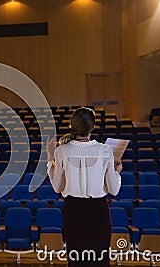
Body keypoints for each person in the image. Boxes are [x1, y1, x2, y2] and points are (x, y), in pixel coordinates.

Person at [46, 107, 122, 267]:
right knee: (100, 260)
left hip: (73, 211)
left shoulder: (61, 151)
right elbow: (114, 190)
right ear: (92, 126)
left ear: (72, 125)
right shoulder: (105, 150)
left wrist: (50, 160)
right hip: (98, 210)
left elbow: (57, 188)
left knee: (76, 260)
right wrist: (116, 172)